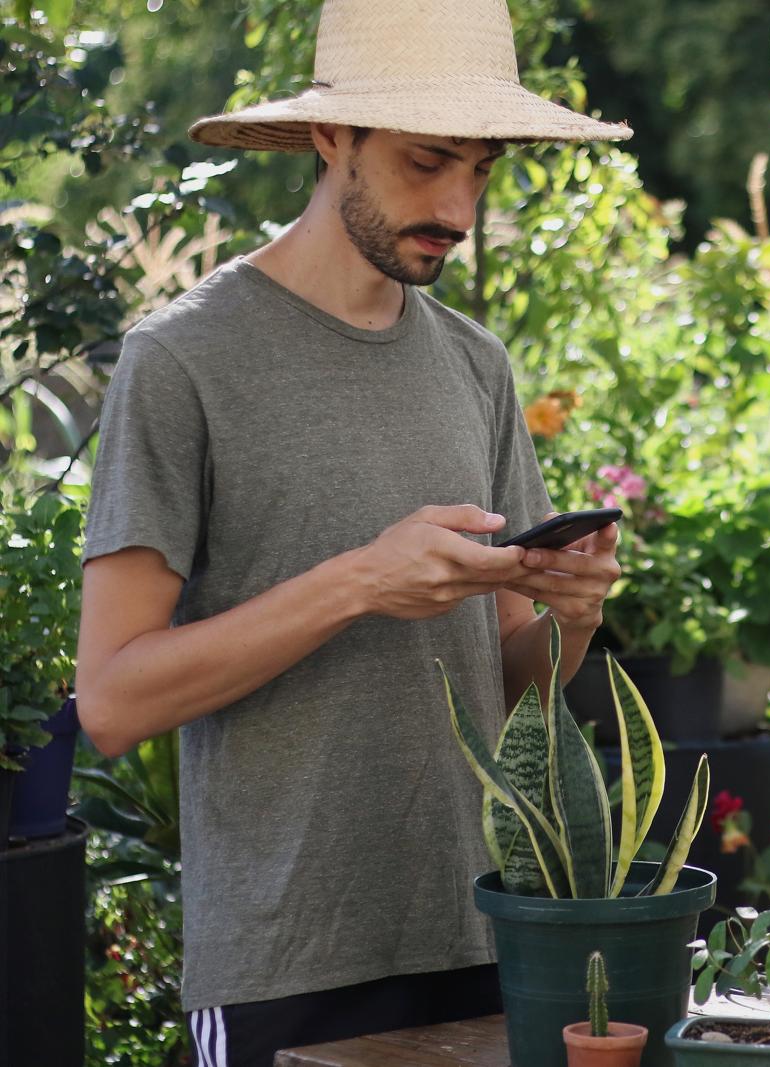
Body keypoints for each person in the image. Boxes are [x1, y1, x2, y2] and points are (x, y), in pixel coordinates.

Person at [73, 2, 629, 1064]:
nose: (458, 207)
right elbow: (110, 699)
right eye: (428, 162)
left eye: (481, 169)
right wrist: (360, 582)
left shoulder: (476, 367)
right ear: (331, 138)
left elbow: (516, 689)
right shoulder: (185, 361)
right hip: (286, 962)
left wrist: (573, 616)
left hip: (478, 933)